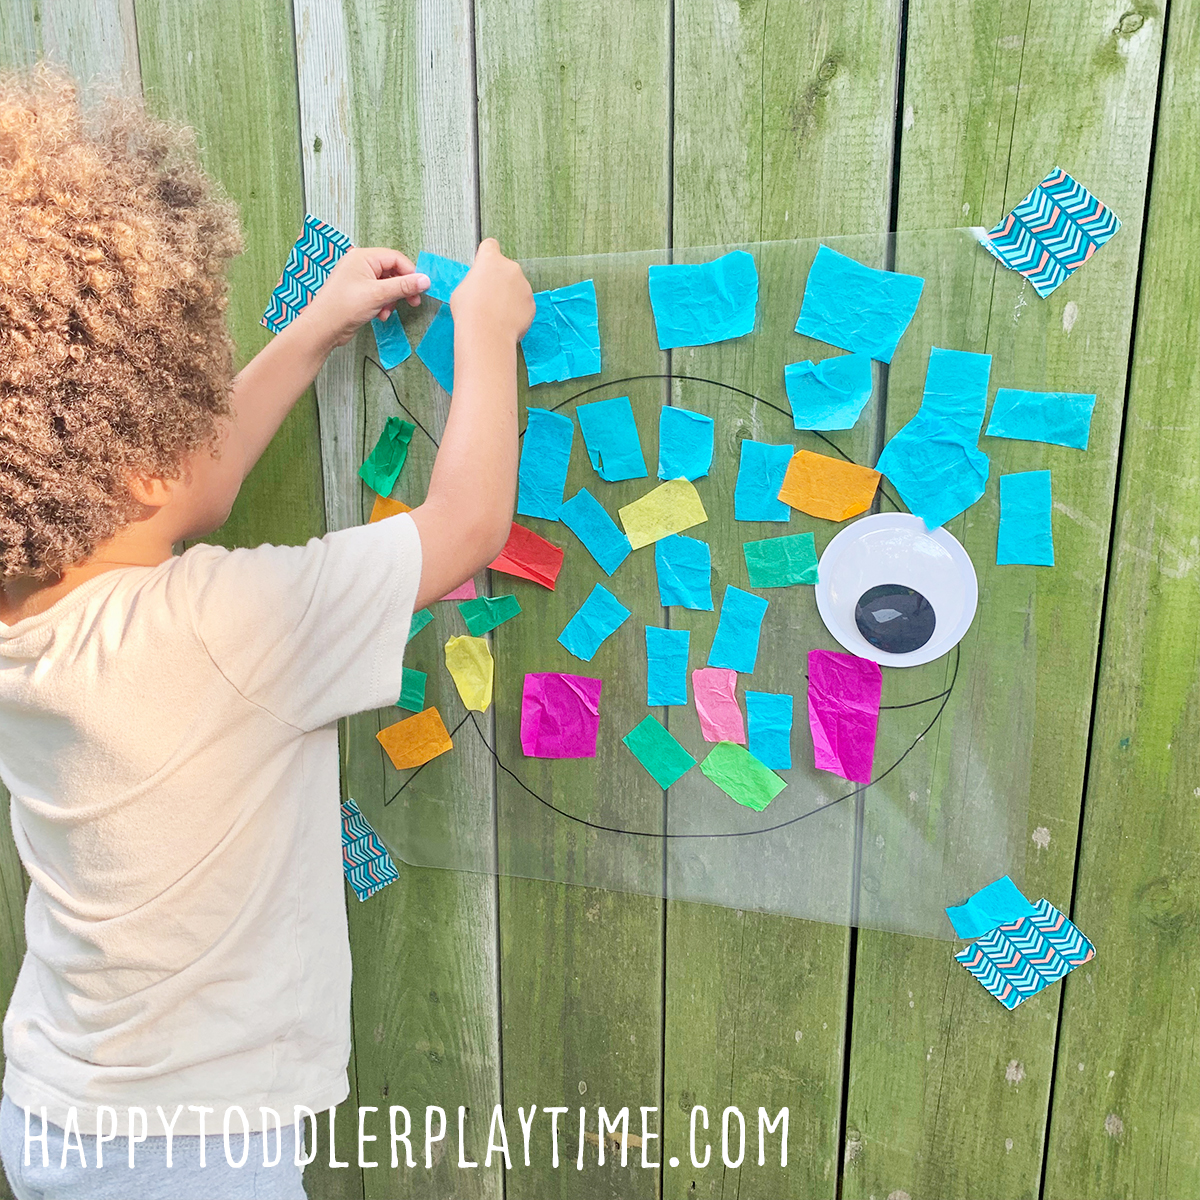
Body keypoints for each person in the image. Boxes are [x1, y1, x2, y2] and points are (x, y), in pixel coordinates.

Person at [0, 69, 533, 1199]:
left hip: (52, 1103)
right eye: (190, 408)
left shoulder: (27, 611)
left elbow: (187, 487)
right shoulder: (222, 628)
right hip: (191, 1146)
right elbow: (467, 525)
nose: (210, 425)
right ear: (143, 463)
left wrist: (313, 327)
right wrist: (489, 333)